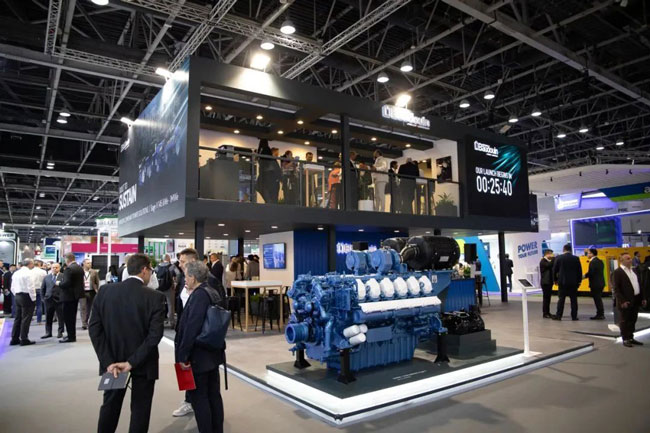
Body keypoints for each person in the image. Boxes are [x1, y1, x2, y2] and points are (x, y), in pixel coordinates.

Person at [89, 253, 166, 433]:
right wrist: (132, 362)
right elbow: (155, 336)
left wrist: (108, 362)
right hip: (143, 362)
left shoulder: (105, 291)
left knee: (110, 406)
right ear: (144, 270)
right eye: (151, 270)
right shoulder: (155, 297)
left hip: (113, 362)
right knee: (140, 409)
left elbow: (94, 329)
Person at [175, 261, 224, 433]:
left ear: (193, 277)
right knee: (213, 395)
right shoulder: (212, 291)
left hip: (198, 357)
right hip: (212, 353)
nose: (185, 280)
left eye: (186, 276)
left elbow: (191, 327)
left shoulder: (199, 295)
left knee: (200, 398)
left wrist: (183, 355)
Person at [612, 252, 647, 347]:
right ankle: (625, 339)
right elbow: (616, 289)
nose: (630, 260)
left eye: (630, 258)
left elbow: (639, 285)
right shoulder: (617, 272)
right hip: (625, 301)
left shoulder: (634, 271)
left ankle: (631, 337)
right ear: (621, 260)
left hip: (636, 299)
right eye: (627, 259)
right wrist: (622, 301)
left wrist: (643, 298)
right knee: (624, 320)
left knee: (633, 320)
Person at [552, 243, 582, 321]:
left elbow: (554, 270)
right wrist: (579, 281)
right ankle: (574, 316)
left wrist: (555, 280)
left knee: (561, 299)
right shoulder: (576, 258)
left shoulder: (559, 258)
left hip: (562, 282)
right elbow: (579, 271)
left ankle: (559, 316)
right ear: (571, 250)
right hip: (573, 282)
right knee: (574, 300)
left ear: (563, 249)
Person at [9, 259, 36, 346]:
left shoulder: (16, 273)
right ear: (30, 264)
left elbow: (12, 287)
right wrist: (33, 298)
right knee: (26, 318)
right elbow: (31, 287)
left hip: (17, 295)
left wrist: (16, 294)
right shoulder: (29, 273)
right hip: (26, 296)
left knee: (18, 318)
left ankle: (14, 338)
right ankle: (24, 339)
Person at [59, 252, 85, 343]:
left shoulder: (69, 269)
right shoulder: (79, 268)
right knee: (72, 317)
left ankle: (70, 336)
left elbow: (66, 283)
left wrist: (59, 283)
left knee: (68, 317)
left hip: (68, 296)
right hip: (76, 296)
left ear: (67, 259)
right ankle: (71, 335)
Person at [41, 262, 64, 339]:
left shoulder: (63, 276)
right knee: (48, 317)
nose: (54, 269)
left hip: (59, 300)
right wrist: (43, 298)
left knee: (61, 317)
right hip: (48, 299)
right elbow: (43, 288)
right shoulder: (47, 277)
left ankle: (60, 332)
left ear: (59, 268)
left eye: (56, 267)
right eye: (53, 267)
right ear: (51, 268)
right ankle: (48, 332)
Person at [584, 248, 606, 320]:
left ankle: (600, 314)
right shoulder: (600, 261)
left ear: (592, 254)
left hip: (595, 284)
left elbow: (591, 273)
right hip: (601, 283)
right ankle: (600, 313)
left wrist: (583, 276)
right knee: (598, 299)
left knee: (597, 299)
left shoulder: (593, 262)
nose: (587, 255)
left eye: (588, 253)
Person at [156, 254, 176, 328]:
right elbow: (178, 274)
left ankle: (160, 321)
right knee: (170, 305)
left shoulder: (157, 267)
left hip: (159, 288)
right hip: (169, 288)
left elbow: (153, 275)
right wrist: (175, 282)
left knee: (159, 304)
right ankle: (171, 322)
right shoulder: (172, 266)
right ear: (169, 258)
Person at [80, 259, 100, 330]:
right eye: (88, 263)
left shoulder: (94, 272)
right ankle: (84, 323)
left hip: (91, 291)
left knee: (90, 307)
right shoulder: (80, 272)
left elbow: (97, 281)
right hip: (82, 291)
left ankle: (87, 320)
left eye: (90, 263)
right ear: (84, 264)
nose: (89, 264)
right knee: (83, 307)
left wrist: (97, 290)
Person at [539, 249, 555, 318]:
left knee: (548, 298)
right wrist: (554, 259)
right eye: (551, 254)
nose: (552, 255)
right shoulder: (543, 261)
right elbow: (549, 265)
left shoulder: (548, 261)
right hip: (545, 282)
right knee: (546, 298)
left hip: (549, 282)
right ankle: (545, 313)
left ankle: (548, 312)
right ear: (547, 254)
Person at [31, 260, 47, 324]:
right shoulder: (43, 272)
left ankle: (29, 319)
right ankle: (39, 320)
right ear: (40, 264)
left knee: (30, 305)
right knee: (39, 305)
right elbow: (45, 281)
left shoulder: (30, 271)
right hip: (40, 289)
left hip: (32, 289)